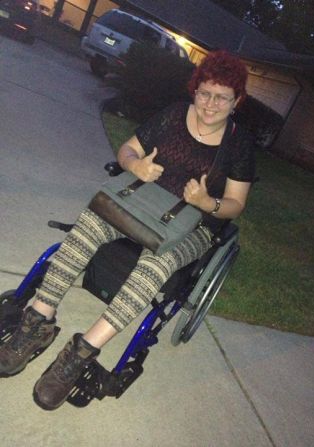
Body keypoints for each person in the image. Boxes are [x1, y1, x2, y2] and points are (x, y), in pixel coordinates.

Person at [0, 50, 255, 410]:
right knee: (90, 223)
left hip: (194, 223)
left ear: (237, 100)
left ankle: (81, 352)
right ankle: (38, 320)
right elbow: (127, 151)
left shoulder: (240, 145)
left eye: (222, 97)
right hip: (139, 201)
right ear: (195, 90)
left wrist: (205, 203)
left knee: (156, 265)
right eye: (204, 93)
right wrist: (135, 167)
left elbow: (235, 204)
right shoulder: (171, 116)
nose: (210, 104)